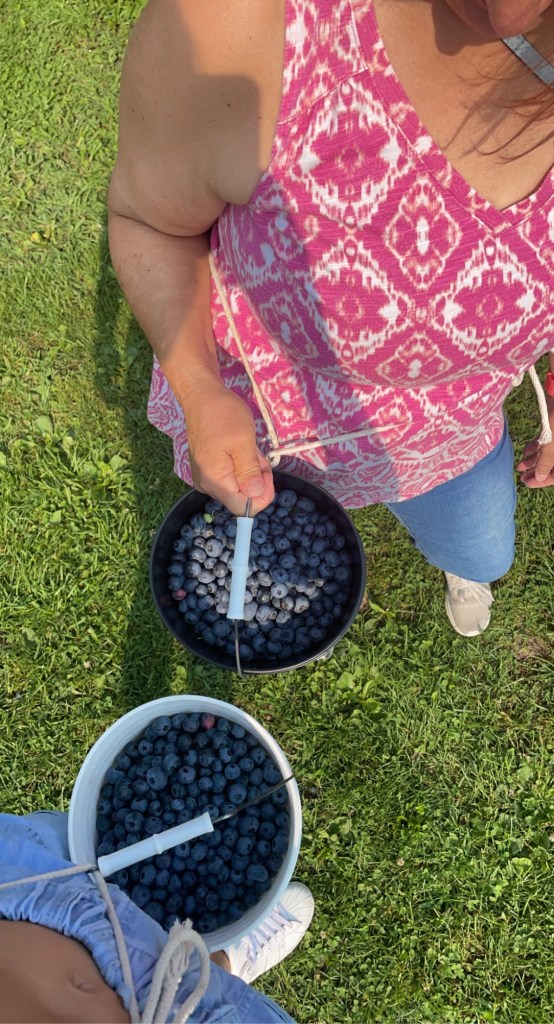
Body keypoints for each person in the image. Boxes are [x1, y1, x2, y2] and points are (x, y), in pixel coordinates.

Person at [107, 0, 554, 637]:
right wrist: (201, 389)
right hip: (265, 431)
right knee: (275, 555)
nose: (505, 8)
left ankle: (460, 567)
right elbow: (149, 221)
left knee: (484, 550)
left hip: (451, 441)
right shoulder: (245, 21)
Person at [0, 810, 314, 1023]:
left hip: (24, 881)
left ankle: (208, 961)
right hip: (175, 1015)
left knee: (63, 838)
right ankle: (221, 963)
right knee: (205, 992)